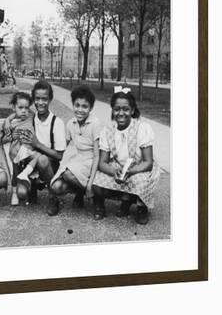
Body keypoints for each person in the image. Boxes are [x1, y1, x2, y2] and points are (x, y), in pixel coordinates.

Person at [92, 87, 160, 224]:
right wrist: (113, 171)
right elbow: (102, 162)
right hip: (118, 166)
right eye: (117, 109)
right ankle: (104, 205)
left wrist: (130, 171)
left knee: (140, 181)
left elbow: (148, 162)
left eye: (126, 109)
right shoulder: (107, 131)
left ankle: (141, 207)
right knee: (97, 180)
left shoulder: (142, 128)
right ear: (112, 110)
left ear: (132, 110)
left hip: (139, 167)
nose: (121, 113)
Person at [14, 80, 66, 216]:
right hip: (30, 161)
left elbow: (60, 155)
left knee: (42, 159)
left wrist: (38, 145)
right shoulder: (30, 118)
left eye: (44, 99)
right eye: (37, 99)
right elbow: (14, 117)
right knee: (21, 193)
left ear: (50, 99)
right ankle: (32, 188)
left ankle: (53, 197)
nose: (40, 103)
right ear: (33, 100)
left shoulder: (57, 122)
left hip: (50, 164)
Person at [50, 85, 101, 214]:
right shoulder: (71, 123)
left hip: (92, 161)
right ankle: (80, 193)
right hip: (78, 160)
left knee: (68, 174)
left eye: (84, 107)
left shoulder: (95, 123)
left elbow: (97, 156)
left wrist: (89, 183)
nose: (80, 110)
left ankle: (92, 195)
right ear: (72, 105)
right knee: (56, 187)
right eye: (77, 105)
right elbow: (62, 147)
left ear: (91, 108)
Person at [3, 92, 42, 206]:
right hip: (16, 151)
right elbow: (4, 140)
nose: (24, 111)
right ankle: (14, 192)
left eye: (26, 107)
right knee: (15, 172)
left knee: (38, 157)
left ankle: (28, 180)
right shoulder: (12, 123)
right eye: (20, 108)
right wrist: (10, 133)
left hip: (29, 150)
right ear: (14, 107)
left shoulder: (31, 116)